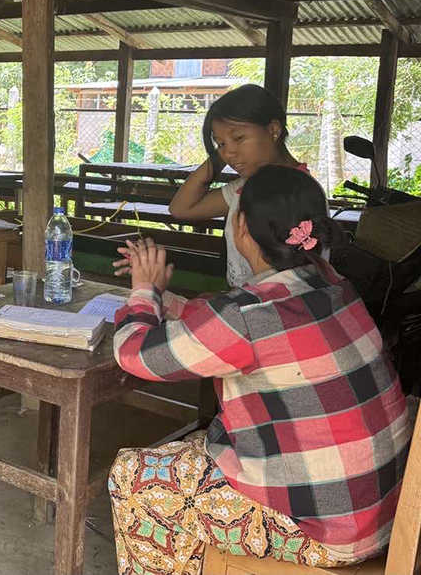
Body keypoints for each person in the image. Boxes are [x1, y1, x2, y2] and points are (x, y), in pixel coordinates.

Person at [108, 166, 410, 574]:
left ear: (242, 227)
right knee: (194, 451)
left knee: (134, 477)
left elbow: (133, 354)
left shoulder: (247, 316)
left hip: (323, 533)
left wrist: (142, 293)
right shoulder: (332, 283)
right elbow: (225, 320)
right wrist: (163, 297)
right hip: (383, 512)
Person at [169, 84, 320, 288]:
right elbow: (181, 208)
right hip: (249, 303)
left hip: (276, 309)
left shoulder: (299, 192)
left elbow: (293, 283)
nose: (229, 153)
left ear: (274, 129)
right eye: (220, 144)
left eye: (239, 138)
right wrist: (224, 153)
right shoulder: (247, 186)